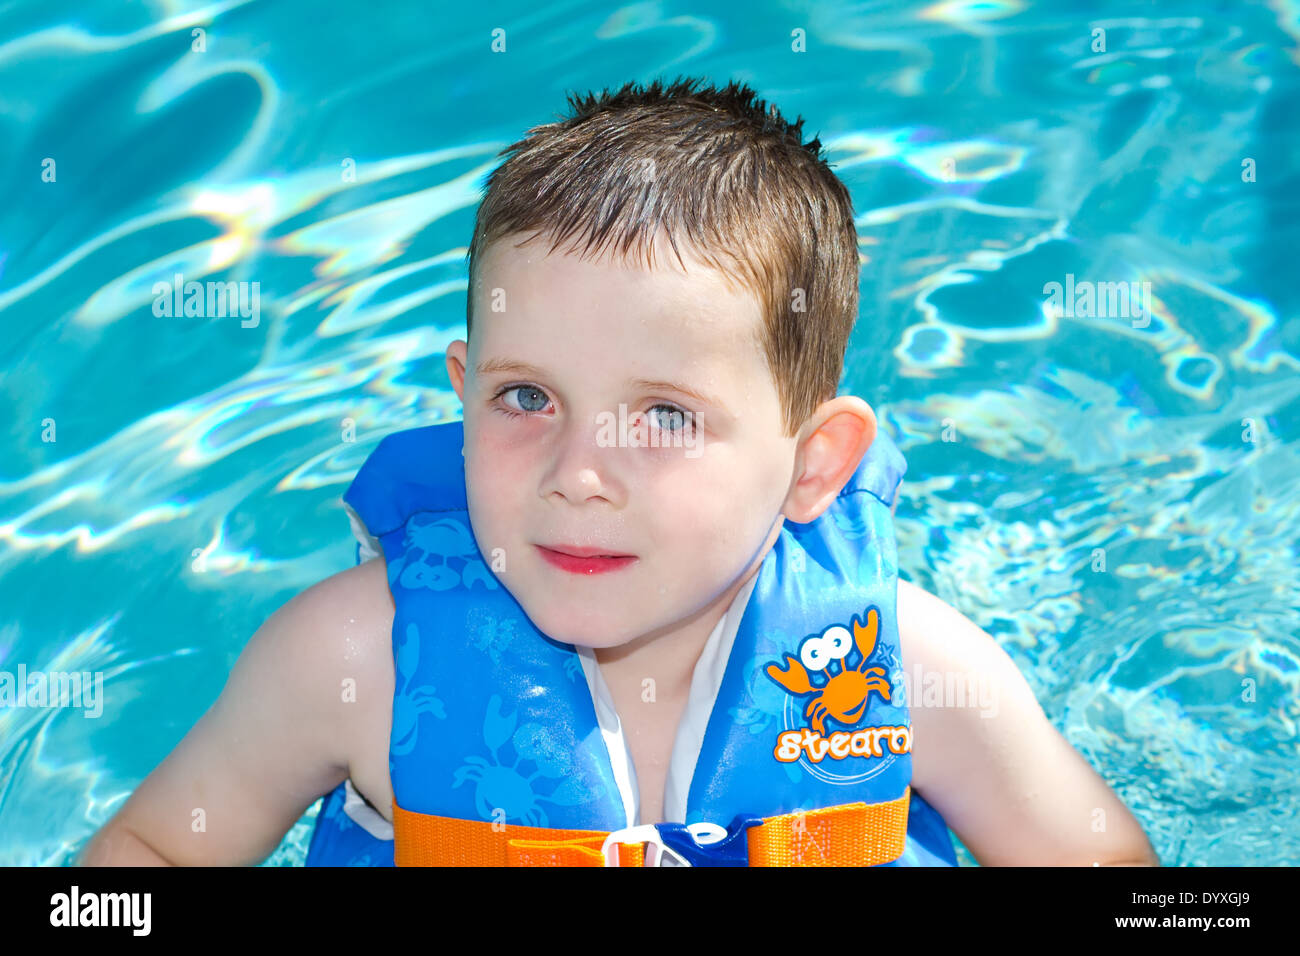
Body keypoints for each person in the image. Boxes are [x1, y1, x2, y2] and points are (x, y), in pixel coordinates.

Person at [79, 77, 1157, 867]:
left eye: (666, 415)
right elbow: (149, 855)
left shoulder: (912, 672)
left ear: (812, 463)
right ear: (463, 391)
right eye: (525, 398)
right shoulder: (354, 660)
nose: (577, 472)